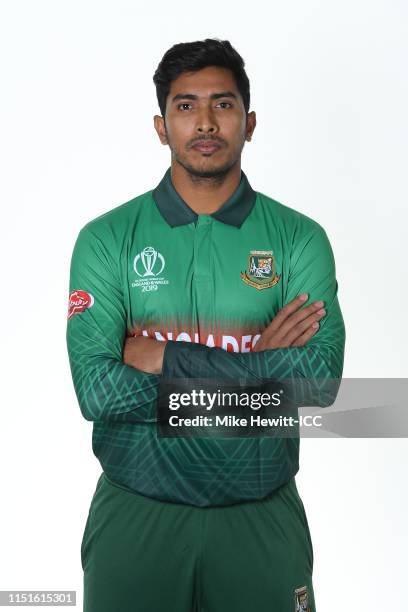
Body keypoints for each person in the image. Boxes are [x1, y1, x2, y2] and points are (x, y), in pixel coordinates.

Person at [66, 38, 345, 612]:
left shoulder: (299, 239)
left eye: (223, 104)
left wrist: (166, 359)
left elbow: (318, 386)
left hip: (259, 517)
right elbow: (96, 390)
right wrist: (258, 374)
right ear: (161, 126)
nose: (205, 122)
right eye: (185, 106)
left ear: (250, 121)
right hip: (136, 517)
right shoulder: (106, 239)